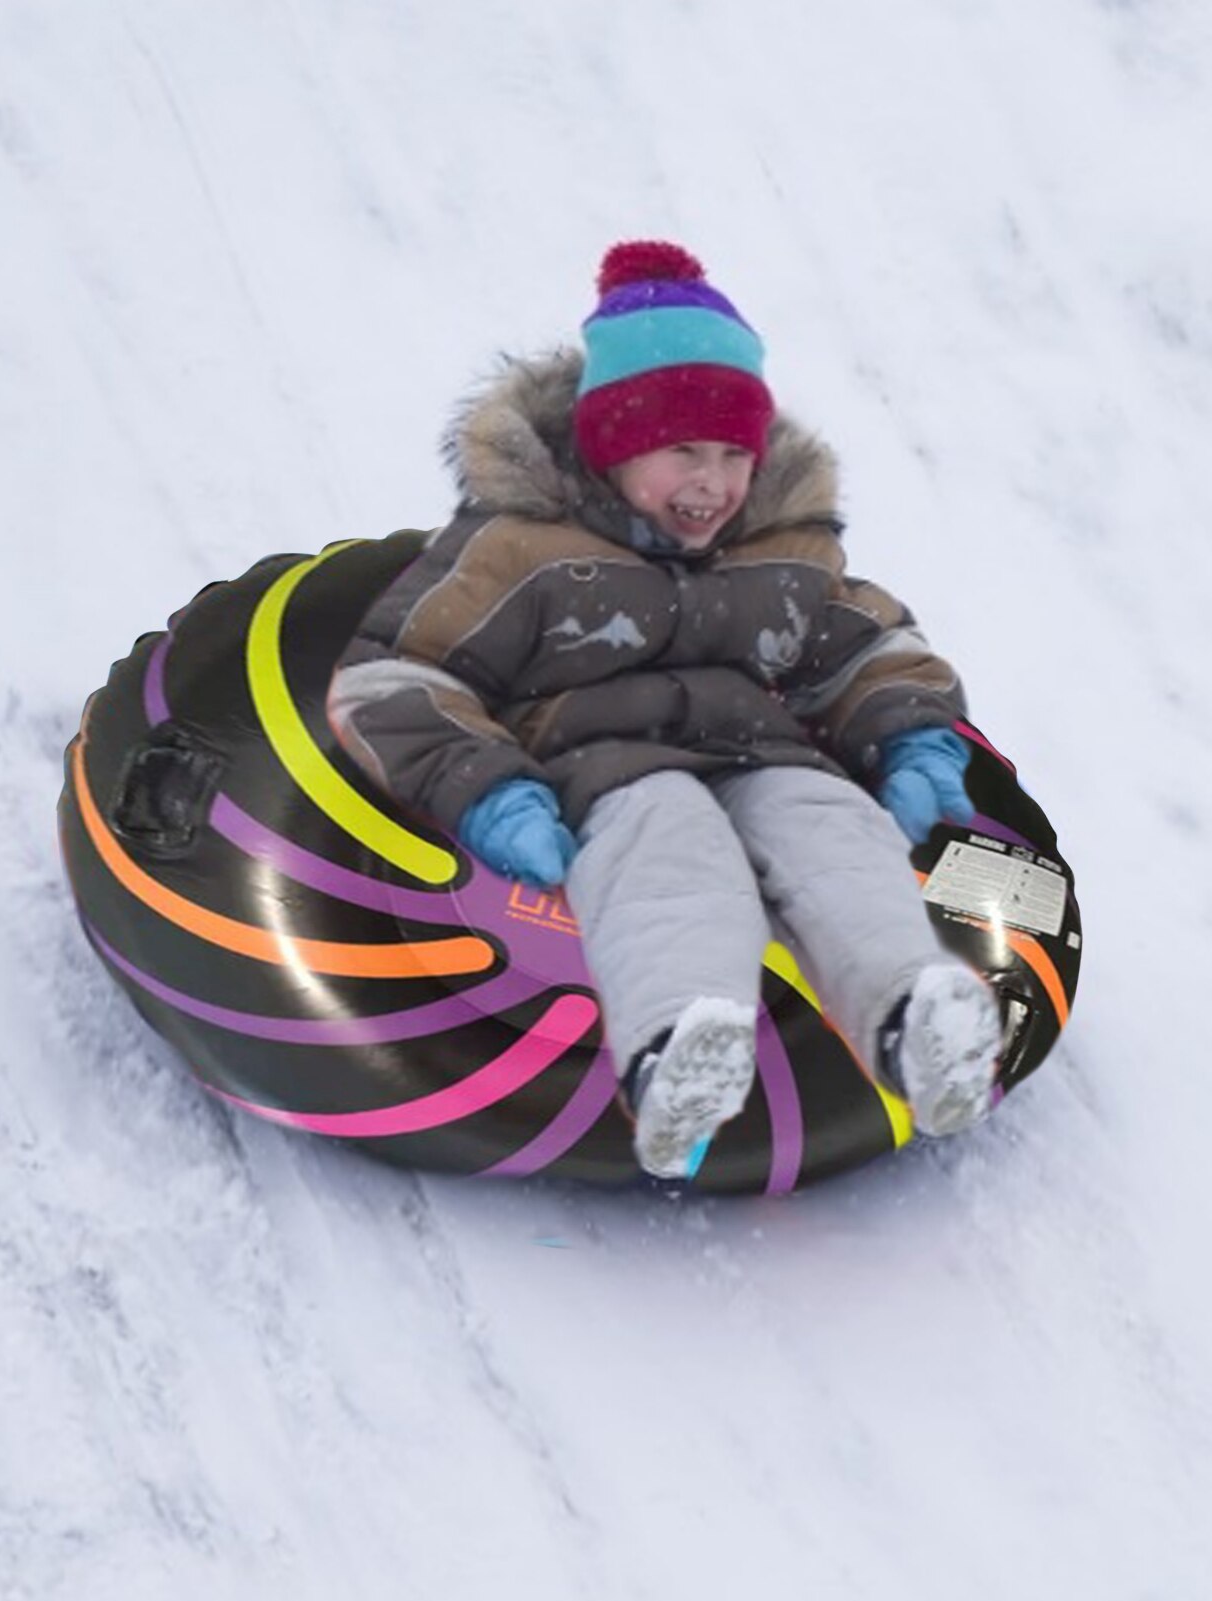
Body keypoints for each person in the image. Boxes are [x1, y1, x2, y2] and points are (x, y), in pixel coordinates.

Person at [328, 240, 1002, 1180]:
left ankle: (912, 1014)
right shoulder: (520, 549)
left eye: (734, 454)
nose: (712, 482)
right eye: (682, 450)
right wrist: (486, 790)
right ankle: (680, 1046)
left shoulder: (778, 547)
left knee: (834, 825)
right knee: (670, 843)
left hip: (759, 757)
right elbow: (395, 675)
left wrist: (912, 732)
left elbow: (864, 644)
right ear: (610, 444)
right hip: (595, 767)